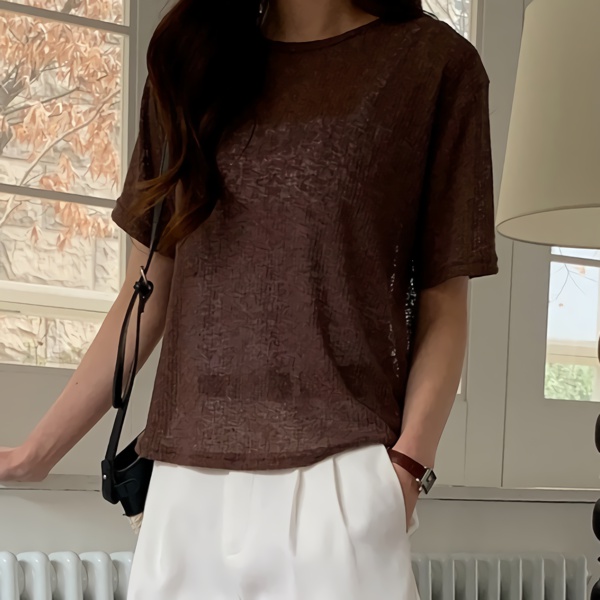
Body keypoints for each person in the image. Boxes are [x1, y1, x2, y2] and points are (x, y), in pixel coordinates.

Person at [0, 0, 498, 597]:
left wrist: (408, 471)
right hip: (185, 487)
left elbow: (444, 299)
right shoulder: (190, 59)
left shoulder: (432, 66)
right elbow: (146, 291)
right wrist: (36, 453)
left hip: (341, 481)